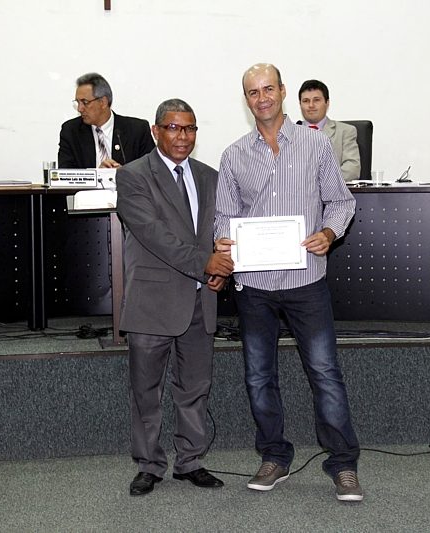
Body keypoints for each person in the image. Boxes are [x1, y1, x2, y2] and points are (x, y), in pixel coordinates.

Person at [215, 63, 363, 502]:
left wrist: (330, 232)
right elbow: (224, 216)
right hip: (255, 284)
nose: (261, 98)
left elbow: (341, 200)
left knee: (324, 372)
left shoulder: (316, 145)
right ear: (247, 100)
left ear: (282, 92)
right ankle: (274, 455)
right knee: (259, 377)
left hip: (305, 280)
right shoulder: (233, 154)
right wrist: (225, 241)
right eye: (252, 92)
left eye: (268, 89)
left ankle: (343, 464)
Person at [115, 98, 234, 497]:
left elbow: (220, 233)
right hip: (152, 300)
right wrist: (208, 265)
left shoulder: (211, 176)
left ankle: (191, 462)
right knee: (146, 390)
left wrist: (220, 271)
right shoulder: (133, 176)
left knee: (195, 387)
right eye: (173, 128)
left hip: (201, 300)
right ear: (156, 131)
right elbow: (156, 238)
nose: (183, 136)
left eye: (190, 129)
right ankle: (149, 463)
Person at [57, 73, 154, 169]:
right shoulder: (71, 131)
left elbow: (151, 170)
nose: (79, 109)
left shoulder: (137, 130)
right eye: (78, 102)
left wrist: (125, 175)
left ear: (103, 102)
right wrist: (99, 175)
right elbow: (66, 172)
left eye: (85, 102)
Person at [297, 79, 361, 182]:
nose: (311, 105)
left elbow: (352, 169)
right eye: (306, 101)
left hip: (331, 195)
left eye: (316, 100)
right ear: (300, 105)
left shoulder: (346, 132)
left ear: (327, 103)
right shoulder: (289, 134)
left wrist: (321, 183)